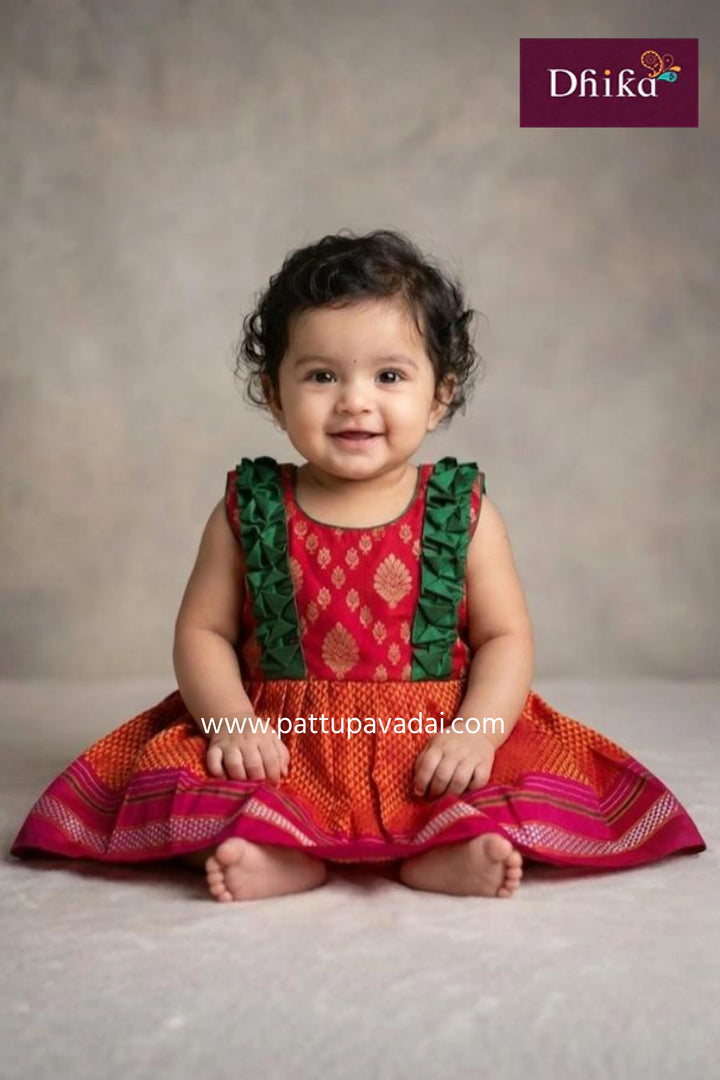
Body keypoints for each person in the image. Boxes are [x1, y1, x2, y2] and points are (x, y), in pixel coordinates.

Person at [10, 229, 705, 902]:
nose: (354, 400)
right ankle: (275, 852)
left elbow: (505, 638)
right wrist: (230, 722)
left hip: (429, 740)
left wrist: (477, 730)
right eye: (321, 375)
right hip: (282, 744)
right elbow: (203, 634)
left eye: (390, 375)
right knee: (184, 786)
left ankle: (444, 853)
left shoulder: (460, 513)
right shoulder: (250, 510)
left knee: (500, 785)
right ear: (274, 392)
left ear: (439, 395)